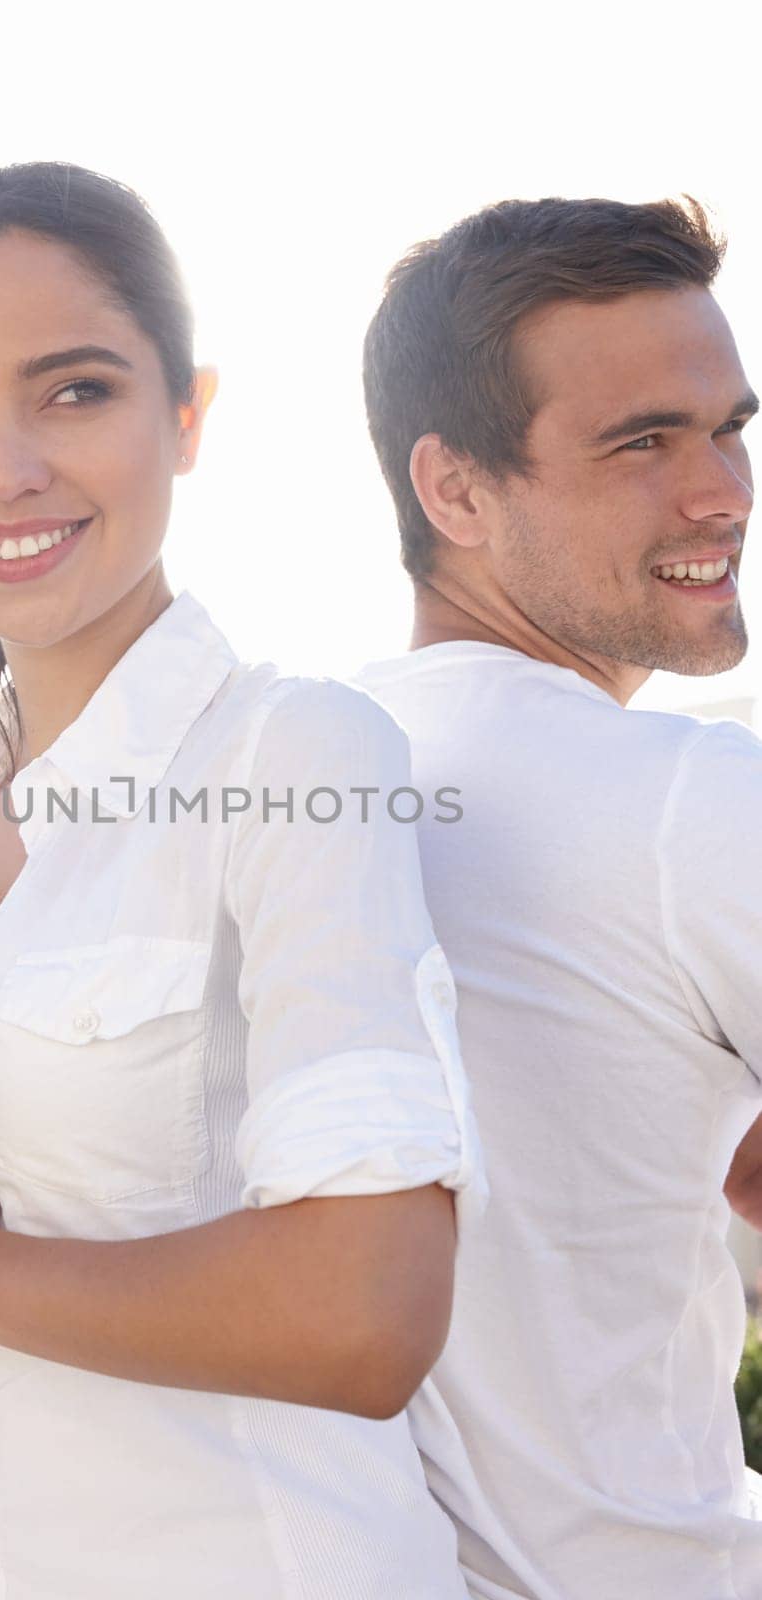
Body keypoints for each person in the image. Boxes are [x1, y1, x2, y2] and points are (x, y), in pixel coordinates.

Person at [0, 161, 485, 1599]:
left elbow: (366, 1315)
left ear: (187, 417)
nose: (2, 468)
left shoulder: (294, 753)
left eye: (73, 391)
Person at [356, 194, 762, 1599]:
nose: (722, 491)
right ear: (454, 491)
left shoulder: (279, 777)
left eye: (730, 427)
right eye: (642, 441)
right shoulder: (685, 799)